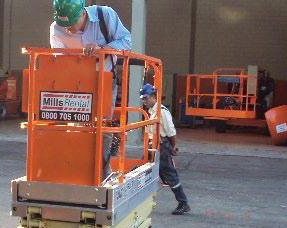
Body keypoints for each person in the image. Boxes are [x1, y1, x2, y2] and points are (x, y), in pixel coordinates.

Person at [50, 0, 132, 183]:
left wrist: (102, 50)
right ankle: (76, 172)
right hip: (76, 85)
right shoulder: (56, 28)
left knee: (103, 129)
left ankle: (100, 176)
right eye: (64, 25)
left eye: (71, 24)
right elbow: (59, 61)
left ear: (82, 14)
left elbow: (126, 41)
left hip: (104, 81)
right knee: (77, 127)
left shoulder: (105, 15)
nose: (68, 30)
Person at [140, 83, 191, 215]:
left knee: (169, 174)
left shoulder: (161, 111)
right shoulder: (152, 112)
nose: (144, 101)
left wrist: (174, 146)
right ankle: (144, 202)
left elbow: (170, 131)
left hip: (162, 146)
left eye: (145, 98)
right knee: (146, 173)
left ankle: (183, 203)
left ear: (152, 97)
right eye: (142, 99)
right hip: (154, 146)